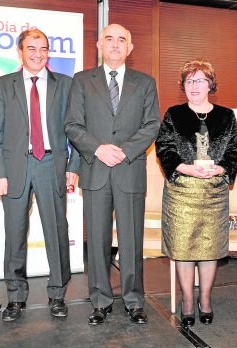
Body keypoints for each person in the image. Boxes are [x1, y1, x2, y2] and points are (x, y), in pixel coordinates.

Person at [65, 24, 161, 325]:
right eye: (110, 39)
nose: (116, 44)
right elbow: (72, 125)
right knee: (96, 240)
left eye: (122, 39)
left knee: (132, 241)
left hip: (129, 169)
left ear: (130, 48)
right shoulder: (81, 81)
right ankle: (99, 301)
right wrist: (98, 149)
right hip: (95, 171)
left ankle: (134, 301)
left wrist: (123, 151)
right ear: (99, 45)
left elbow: (152, 125)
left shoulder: (145, 83)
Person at [0, 28, 80, 321]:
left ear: (48, 52)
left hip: (52, 165)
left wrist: (73, 167)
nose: (38, 54)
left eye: (43, 48)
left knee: (57, 232)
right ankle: (15, 297)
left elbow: (77, 128)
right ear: (20, 52)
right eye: (32, 48)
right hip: (15, 168)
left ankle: (57, 294)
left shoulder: (66, 84)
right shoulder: (3, 85)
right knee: (14, 234)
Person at [155, 59, 237, 328]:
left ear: (210, 85)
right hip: (181, 190)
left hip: (214, 192)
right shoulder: (173, 114)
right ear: (183, 85)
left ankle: (205, 299)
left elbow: (236, 148)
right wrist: (183, 168)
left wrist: (222, 169)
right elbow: (164, 147)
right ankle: (187, 300)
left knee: (209, 249)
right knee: (183, 249)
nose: (194, 86)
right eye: (189, 81)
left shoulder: (227, 116)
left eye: (200, 80)